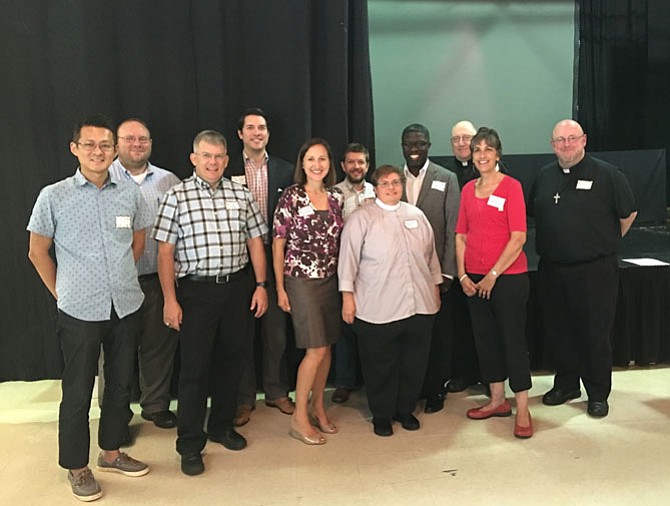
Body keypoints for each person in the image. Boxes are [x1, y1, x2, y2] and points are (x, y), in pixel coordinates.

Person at [27, 114, 151, 502]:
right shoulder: (54, 196)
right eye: (89, 145)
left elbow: (138, 241)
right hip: (79, 310)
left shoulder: (129, 194)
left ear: (115, 150)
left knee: (120, 385)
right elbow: (37, 251)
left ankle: (111, 453)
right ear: (74, 148)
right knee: (78, 391)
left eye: (105, 145)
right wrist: (62, 293)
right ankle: (77, 467)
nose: (97, 152)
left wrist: (118, 277)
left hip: (126, 305)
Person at [152, 130, 268, 476]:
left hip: (237, 289)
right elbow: (164, 252)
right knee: (194, 371)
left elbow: (255, 242)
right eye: (206, 156)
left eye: (218, 156)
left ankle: (220, 427)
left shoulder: (240, 193)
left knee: (232, 362)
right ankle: (190, 443)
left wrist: (261, 285)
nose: (213, 162)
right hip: (196, 293)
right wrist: (170, 300)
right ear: (194, 159)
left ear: (226, 160)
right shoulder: (176, 196)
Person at [529, 119, 637, 418]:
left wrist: (604, 241)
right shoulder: (543, 177)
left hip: (595, 270)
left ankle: (598, 392)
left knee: (595, 333)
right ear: (552, 144)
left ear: (584, 140)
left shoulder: (607, 175)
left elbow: (628, 214)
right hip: (553, 268)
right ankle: (566, 384)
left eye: (572, 138)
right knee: (559, 330)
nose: (566, 145)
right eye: (560, 140)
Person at [339, 165, 442, 437]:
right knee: (380, 364)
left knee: (413, 361)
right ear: (375, 187)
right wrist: (347, 297)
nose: (392, 187)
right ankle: (382, 415)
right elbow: (347, 261)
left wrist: (435, 289)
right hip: (378, 307)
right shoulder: (362, 219)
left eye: (396, 182)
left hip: (419, 303)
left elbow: (430, 257)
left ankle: (405, 410)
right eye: (385, 183)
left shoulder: (416, 216)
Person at [100, 118, 181, 431]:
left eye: (143, 139)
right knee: (115, 352)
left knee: (158, 347)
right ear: (118, 143)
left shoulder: (169, 181)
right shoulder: (102, 178)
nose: (137, 144)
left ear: (150, 143)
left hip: (157, 279)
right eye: (129, 139)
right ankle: (114, 417)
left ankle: (156, 405)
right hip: (117, 283)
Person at [455, 127, 533, 439]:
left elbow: (519, 237)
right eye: (477, 150)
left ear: (498, 154)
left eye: (488, 149)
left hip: (508, 279)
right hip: (473, 280)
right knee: (485, 341)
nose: (482, 155)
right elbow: (460, 235)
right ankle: (497, 400)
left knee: (513, 342)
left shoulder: (511, 188)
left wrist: (493, 275)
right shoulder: (466, 190)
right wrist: (462, 274)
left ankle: (523, 409)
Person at [272, 138, 344, 445]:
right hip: (300, 281)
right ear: (302, 163)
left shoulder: (337, 196)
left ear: (329, 164)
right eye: (311, 159)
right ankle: (299, 417)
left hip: (331, 280)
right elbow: (277, 243)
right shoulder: (291, 197)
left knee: (327, 347)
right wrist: (279, 288)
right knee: (314, 349)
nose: (317, 164)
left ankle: (317, 406)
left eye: (323, 159)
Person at [227, 108, 296, 427]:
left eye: (262, 127)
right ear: (240, 133)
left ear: (268, 133)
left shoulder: (285, 170)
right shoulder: (225, 168)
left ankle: (276, 389)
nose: (257, 132)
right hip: (236, 258)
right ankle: (243, 399)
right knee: (241, 333)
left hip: (275, 255)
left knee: (276, 331)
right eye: (250, 127)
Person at [400, 123, 460, 414]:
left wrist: (448, 272)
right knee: (409, 335)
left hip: (436, 275)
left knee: (439, 335)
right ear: (402, 146)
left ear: (429, 145)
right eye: (409, 144)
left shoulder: (446, 178)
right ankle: (412, 388)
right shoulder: (390, 180)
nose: (414, 149)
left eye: (420, 143)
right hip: (401, 276)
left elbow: (453, 228)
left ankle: (436, 388)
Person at [331, 143, 375, 404]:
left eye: (361, 162)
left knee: (371, 328)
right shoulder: (334, 194)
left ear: (367, 165)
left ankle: (371, 380)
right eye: (351, 162)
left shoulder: (378, 191)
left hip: (373, 271)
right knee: (344, 328)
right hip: (344, 267)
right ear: (343, 165)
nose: (356, 166)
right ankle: (344, 381)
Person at [441, 120, 482, 394]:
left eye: (466, 138)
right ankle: (463, 372)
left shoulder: (493, 172)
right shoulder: (443, 175)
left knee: (487, 323)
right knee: (459, 322)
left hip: (485, 260)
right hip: (456, 262)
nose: (461, 143)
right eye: (456, 139)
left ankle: (490, 375)